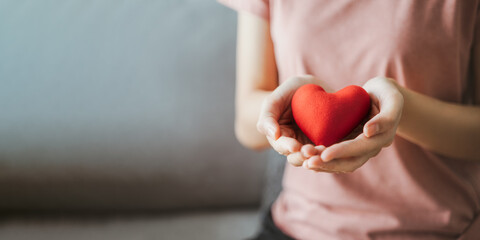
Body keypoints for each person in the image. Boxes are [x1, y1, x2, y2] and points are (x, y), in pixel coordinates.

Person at [218, 0, 480, 239]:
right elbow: (246, 124)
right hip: (298, 226)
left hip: (434, 230)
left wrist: (401, 109)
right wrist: (289, 108)